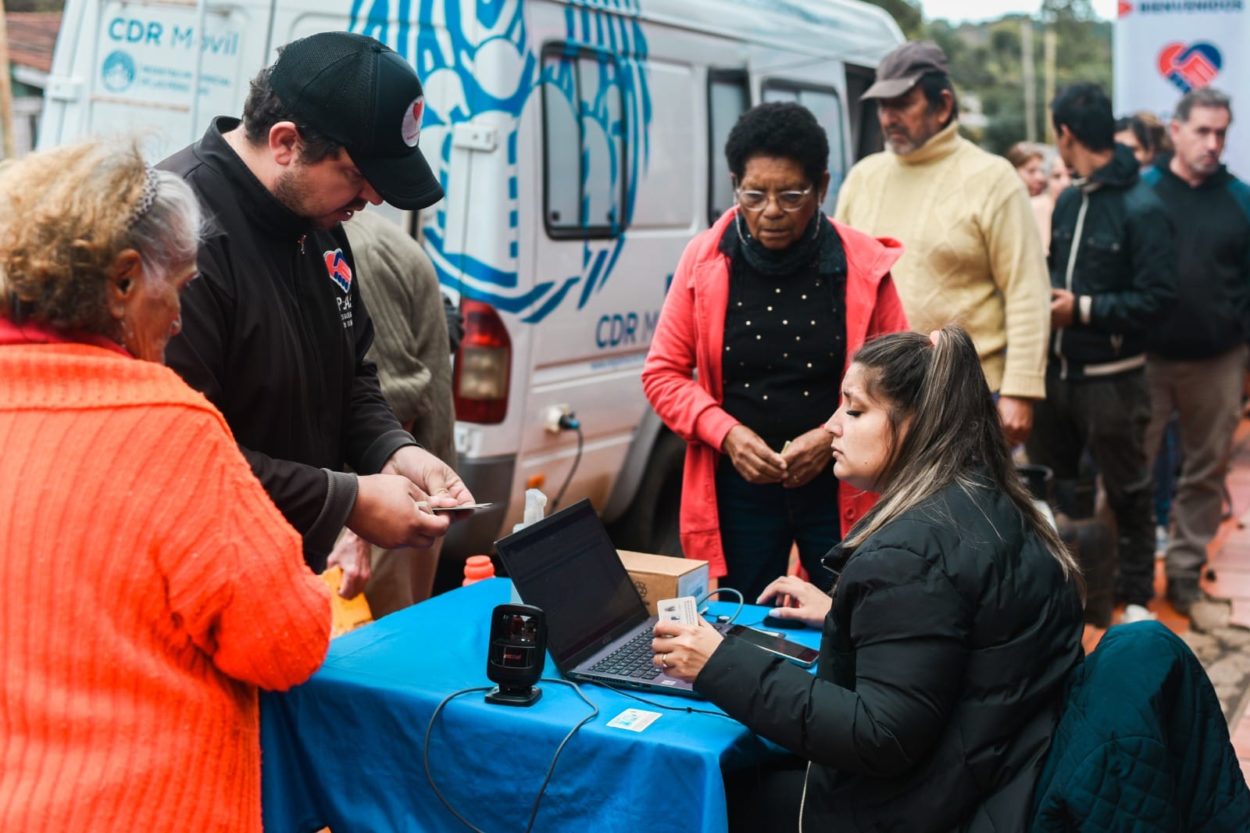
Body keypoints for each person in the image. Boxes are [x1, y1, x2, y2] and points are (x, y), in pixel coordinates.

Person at [0, 142, 331, 832]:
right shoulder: (170, 425)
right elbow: (285, 641)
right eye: (177, 286)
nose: (180, 319)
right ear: (122, 282)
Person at [653, 327, 1084, 832]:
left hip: (923, 806)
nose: (833, 426)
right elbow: (955, 634)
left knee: (695, 787)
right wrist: (847, 613)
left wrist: (718, 663)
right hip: (996, 775)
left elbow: (880, 736)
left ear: (918, 424)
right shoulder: (993, 502)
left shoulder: (910, 553)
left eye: (854, 411)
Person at [160, 31, 473, 573]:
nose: (373, 199)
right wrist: (346, 499)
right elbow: (180, 457)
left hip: (283, 577)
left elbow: (351, 374)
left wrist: (393, 451)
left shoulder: (319, 223)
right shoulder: (177, 237)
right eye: (357, 176)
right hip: (196, 580)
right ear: (285, 142)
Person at [642, 102, 908, 600]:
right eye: (754, 194)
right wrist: (728, 435)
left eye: (791, 195)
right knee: (746, 615)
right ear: (734, 184)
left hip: (842, 479)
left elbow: (901, 381)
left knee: (849, 611)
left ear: (823, 187)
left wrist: (830, 436)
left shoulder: (863, 266)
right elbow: (664, 373)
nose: (770, 211)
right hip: (740, 485)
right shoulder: (704, 259)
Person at [835, 41, 1050, 447]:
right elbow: (838, 281)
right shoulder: (864, 177)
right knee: (888, 512)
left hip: (969, 395)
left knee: (965, 511)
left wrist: (1021, 391)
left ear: (943, 104)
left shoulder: (994, 178)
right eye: (882, 105)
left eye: (902, 103)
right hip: (878, 398)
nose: (888, 117)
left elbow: (1027, 291)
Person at [1026, 84, 1176, 624]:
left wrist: (1083, 310)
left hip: (1115, 378)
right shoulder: (1069, 199)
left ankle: (1135, 600)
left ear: (1065, 134)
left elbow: (1158, 301)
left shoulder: (1143, 206)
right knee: (1057, 489)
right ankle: (1071, 596)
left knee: (1129, 490)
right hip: (1056, 375)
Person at [1142, 87, 1250, 616]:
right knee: (1131, 467)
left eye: (1221, 132)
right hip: (1145, 358)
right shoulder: (1143, 193)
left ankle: (1184, 575)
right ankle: (1126, 578)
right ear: (1176, 129)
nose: (1213, 143)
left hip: (1218, 357)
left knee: (1205, 469)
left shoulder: (1240, 199)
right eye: (1203, 130)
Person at [328, 211, 458, 614]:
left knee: (376, 654)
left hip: (391, 498)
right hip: (374, 494)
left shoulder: (353, 252)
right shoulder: (339, 238)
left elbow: (394, 400)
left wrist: (358, 533)